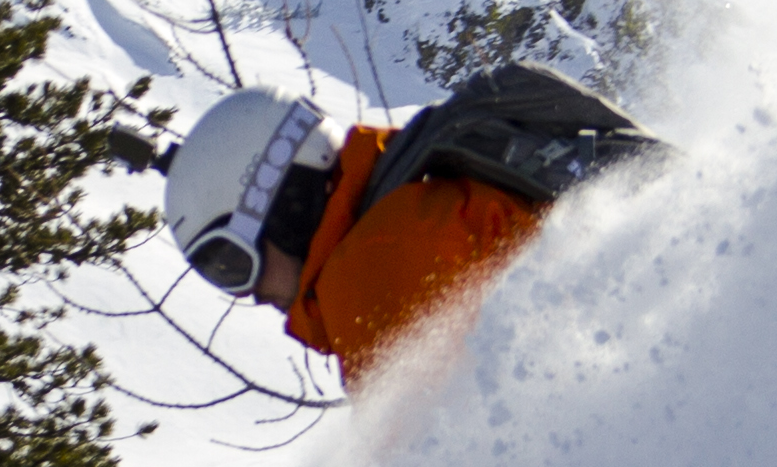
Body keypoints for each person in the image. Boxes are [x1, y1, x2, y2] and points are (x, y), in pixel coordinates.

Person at [159, 60, 662, 390]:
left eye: (229, 263)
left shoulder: (375, 270)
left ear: (284, 206)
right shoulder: (409, 213)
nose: (249, 295)